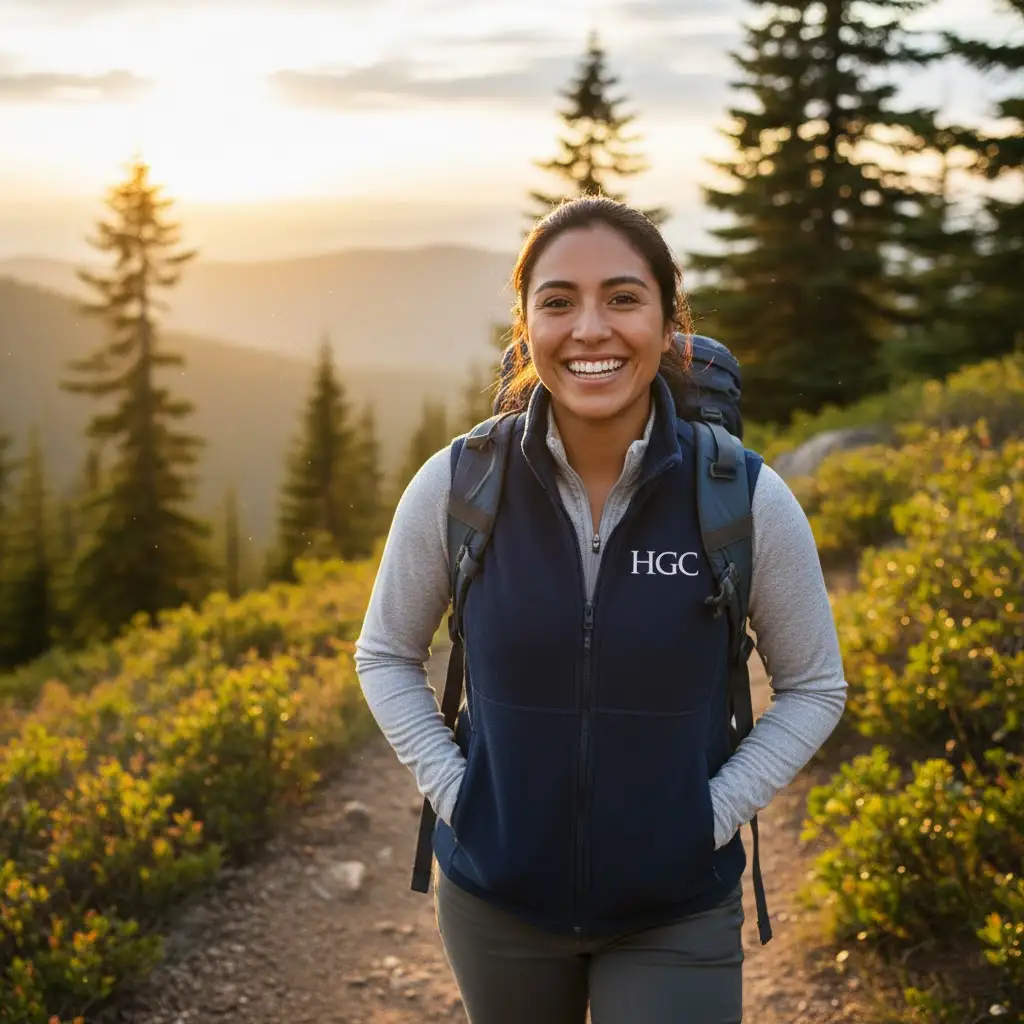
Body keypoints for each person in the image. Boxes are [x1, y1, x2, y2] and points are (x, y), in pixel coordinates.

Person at [354, 196, 847, 1024]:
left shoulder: (742, 496)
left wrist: (710, 814)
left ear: (667, 322)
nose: (590, 329)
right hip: (495, 905)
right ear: (525, 326)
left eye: (623, 298)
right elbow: (385, 654)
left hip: (676, 908)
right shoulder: (458, 483)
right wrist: (460, 795)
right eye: (558, 301)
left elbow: (814, 685)